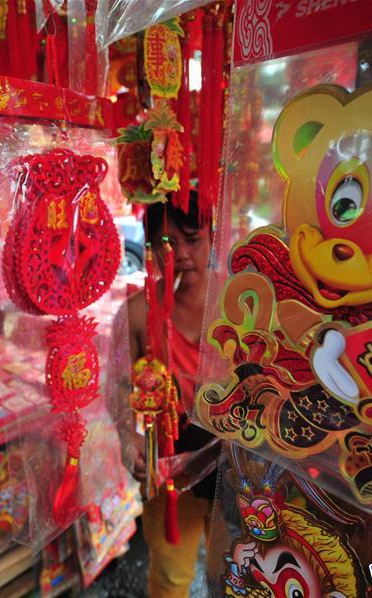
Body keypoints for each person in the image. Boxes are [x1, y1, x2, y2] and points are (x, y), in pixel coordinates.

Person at [123, 193, 220, 598]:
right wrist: (127, 439)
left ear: (213, 237)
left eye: (192, 240)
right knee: (171, 578)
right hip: (168, 467)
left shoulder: (239, 302)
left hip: (234, 467)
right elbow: (118, 389)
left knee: (236, 571)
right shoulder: (138, 312)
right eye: (166, 244)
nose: (180, 254)